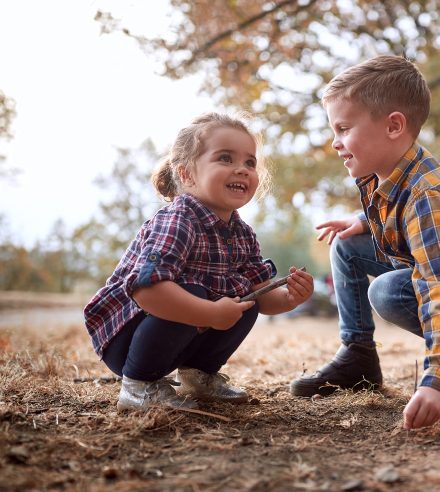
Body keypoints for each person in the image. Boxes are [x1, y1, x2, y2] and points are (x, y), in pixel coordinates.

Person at [289, 56, 440, 430]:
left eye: (344, 128)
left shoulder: (429, 195)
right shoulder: (386, 173)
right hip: (439, 274)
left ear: (394, 126)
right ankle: (358, 355)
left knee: (387, 291)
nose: (335, 143)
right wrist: (362, 221)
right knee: (346, 245)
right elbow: (399, 221)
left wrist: (437, 380)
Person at [84, 112, 314, 411]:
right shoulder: (178, 219)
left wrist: (291, 297)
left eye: (249, 162)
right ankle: (138, 386)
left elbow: (263, 298)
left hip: (184, 332)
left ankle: (198, 375)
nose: (242, 170)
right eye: (225, 158)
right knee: (194, 291)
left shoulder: (242, 233)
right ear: (186, 174)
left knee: (244, 300)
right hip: (126, 337)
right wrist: (208, 313)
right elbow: (146, 290)